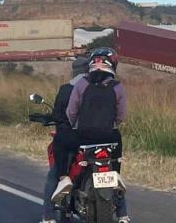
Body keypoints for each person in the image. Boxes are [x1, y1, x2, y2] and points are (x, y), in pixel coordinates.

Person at [55, 47, 130, 222]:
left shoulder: (82, 83)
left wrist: (74, 125)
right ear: (113, 65)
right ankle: (116, 175)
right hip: (109, 137)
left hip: (83, 136)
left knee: (60, 141)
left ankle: (64, 177)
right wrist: (112, 126)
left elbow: (71, 111)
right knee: (116, 153)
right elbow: (122, 115)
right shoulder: (117, 86)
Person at [40, 56, 87, 223]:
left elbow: (58, 115)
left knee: (54, 174)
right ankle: (122, 213)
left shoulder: (66, 89)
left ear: (74, 71)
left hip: (69, 138)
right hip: (94, 138)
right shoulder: (97, 88)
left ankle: (48, 216)